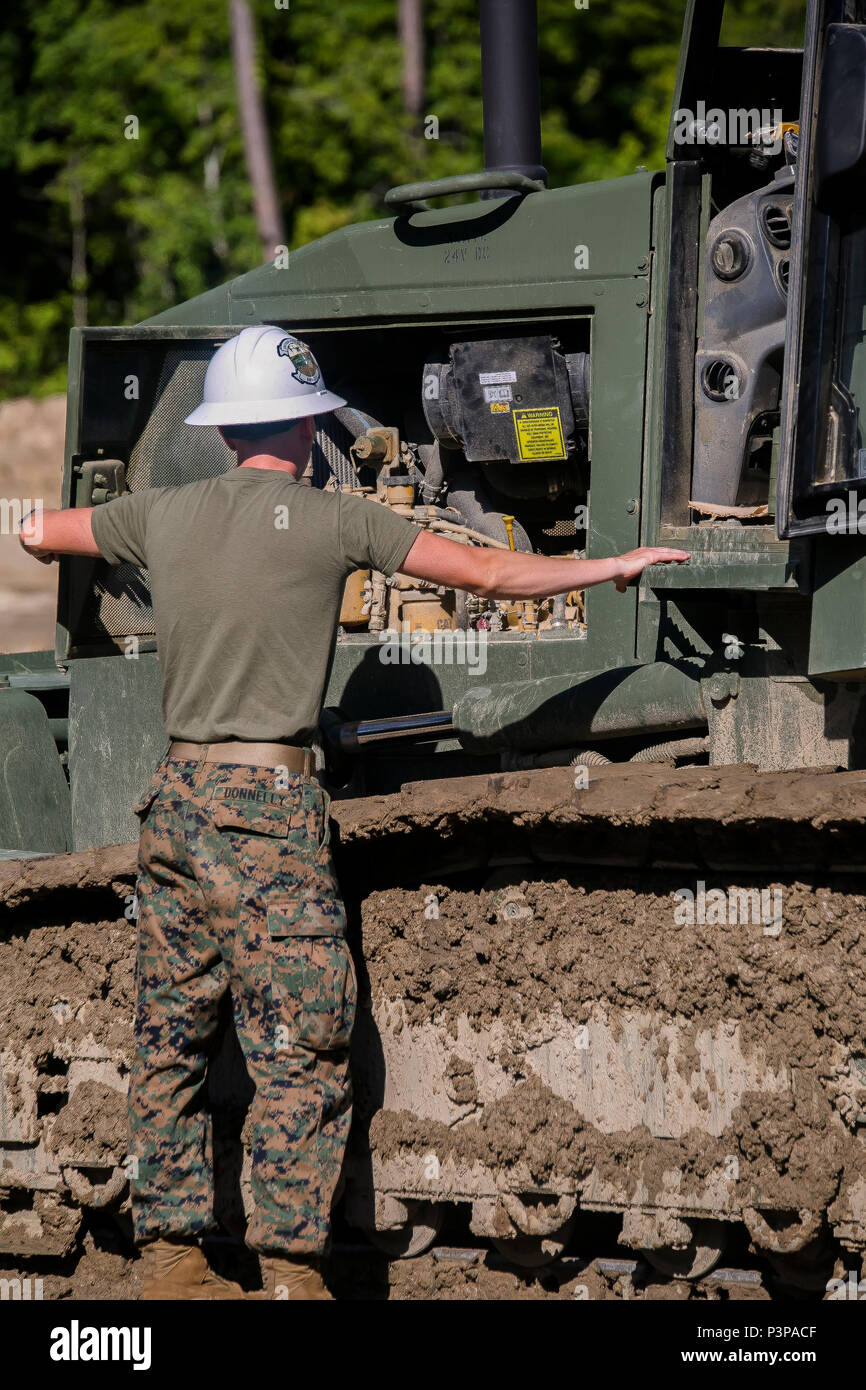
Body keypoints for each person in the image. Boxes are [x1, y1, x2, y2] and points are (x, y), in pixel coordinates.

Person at [19, 324, 688, 1299]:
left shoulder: (155, 513)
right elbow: (495, 575)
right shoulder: (337, 520)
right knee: (299, 1041)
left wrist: (45, 532)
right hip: (269, 804)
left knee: (169, 1037)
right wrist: (612, 566)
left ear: (225, 430)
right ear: (301, 429)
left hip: (176, 804)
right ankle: (290, 1269)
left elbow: (43, 530)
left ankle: (170, 1260)